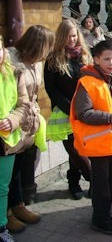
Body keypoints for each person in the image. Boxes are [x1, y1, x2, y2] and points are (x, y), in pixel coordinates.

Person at [70, 40, 112, 235]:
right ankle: (99, 219)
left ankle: (104, 215)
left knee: (107, 182)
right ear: (96, 59)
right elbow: (83, 113)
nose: (111, 63)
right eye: (106, 59)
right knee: (101, 185)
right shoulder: (87, 82)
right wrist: (110, 117)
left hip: (110, 141)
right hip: (97, 142)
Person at [6, 25, 54, 233]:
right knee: (6, 174)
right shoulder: (10, 59)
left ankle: (18, 206)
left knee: (18, 169)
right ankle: (6, 214)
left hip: (28, 125)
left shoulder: (37, 64)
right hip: (10, 126)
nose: (49, 53)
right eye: (48, 47)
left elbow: (34, 95)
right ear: (38, 46)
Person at [44, 19, 93, 200]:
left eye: (74, 35)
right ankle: (94, 180)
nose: (72, 40)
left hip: (86, 111)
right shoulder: (53, 59)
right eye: (68, 36)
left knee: (80, 150)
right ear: (61, 38)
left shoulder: (85, 56)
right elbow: (52, 90)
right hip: (65, 112)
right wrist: (70, 107)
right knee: (75, 151)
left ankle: (73, 182)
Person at [0, 35, 29, 242]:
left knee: (2, 188)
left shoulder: (12, 72)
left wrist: (12, 120)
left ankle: (1, 227)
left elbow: (23, 104)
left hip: (5, 140)